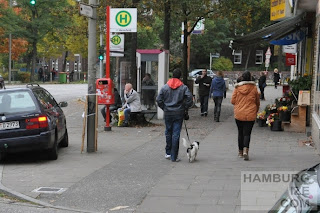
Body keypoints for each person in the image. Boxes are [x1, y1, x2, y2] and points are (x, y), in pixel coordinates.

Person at [156, 68, 193, 162]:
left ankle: (168, 153)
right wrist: (185, 107)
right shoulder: (183, 87)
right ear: (180, 76)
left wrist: (164, 107)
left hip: (168, 112)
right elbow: (189, 98)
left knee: (168, 132)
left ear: (172, 75)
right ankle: (174, 156)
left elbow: (158, 99)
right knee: (176, 134)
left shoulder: (165, 87)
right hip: (178, 112)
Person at [231, 71, 260, 161]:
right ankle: (245, 151)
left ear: (242, 78)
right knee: (247, 133)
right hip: (250, 113)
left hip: (239, 113)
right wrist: (256, 110)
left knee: (240, 133)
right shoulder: (254, 88)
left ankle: (240, 152)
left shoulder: (237, 88)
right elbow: (257, 101)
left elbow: (232, 101)